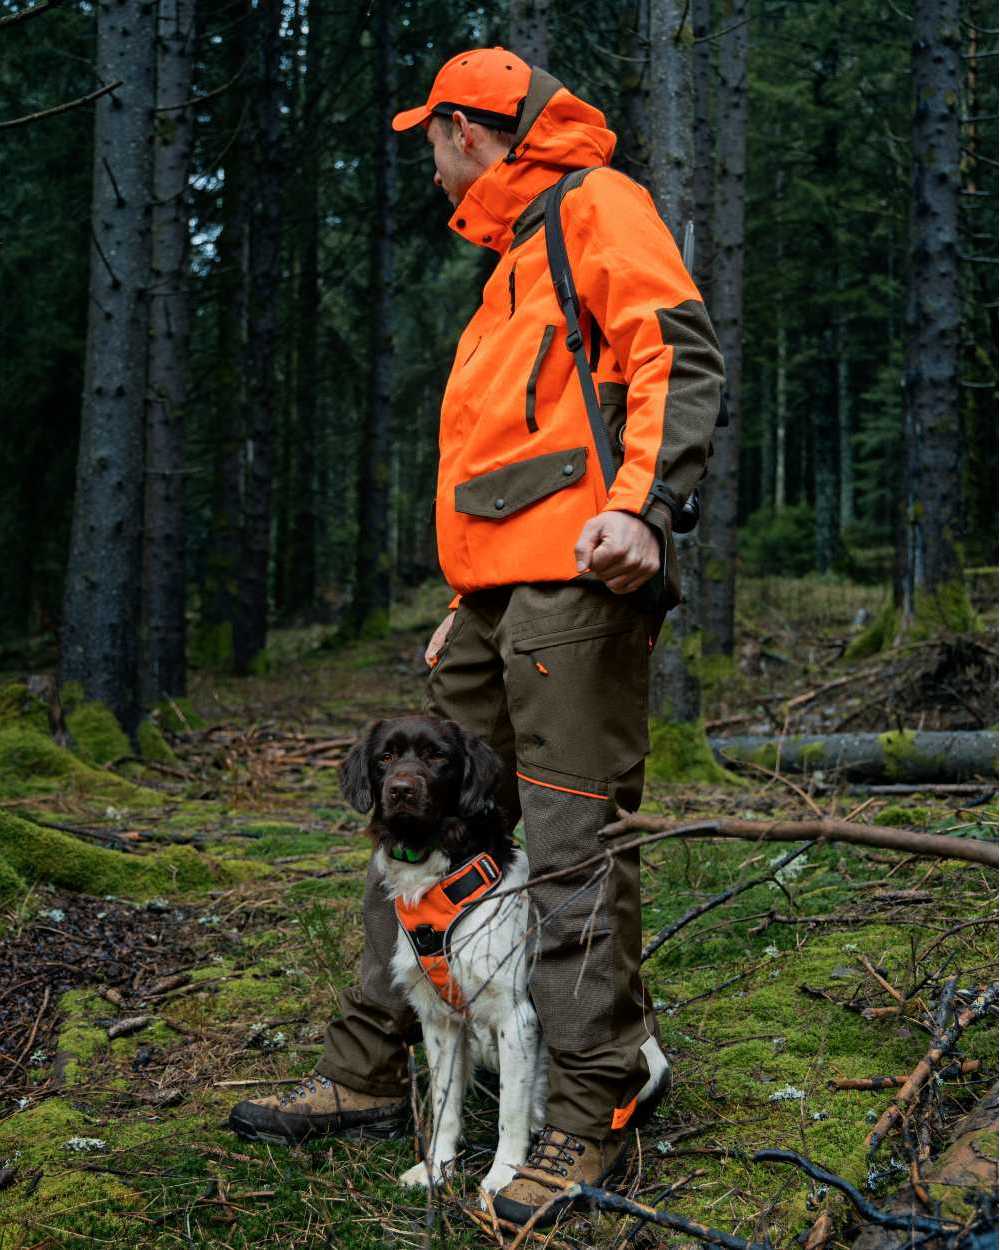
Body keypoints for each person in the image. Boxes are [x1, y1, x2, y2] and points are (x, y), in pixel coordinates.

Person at [229, 46, 724, 1224]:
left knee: (568, 841)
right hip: (495, 593)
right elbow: (512, 446)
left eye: (432, 138)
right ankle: (369, 1064)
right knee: (419, 823)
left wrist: (645, 505)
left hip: (578, 579)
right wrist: (469, 590)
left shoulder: (597, 205)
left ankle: (593, 1098)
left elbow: (675, 348)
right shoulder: (508, 260)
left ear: (468, 129)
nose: (429, 160)